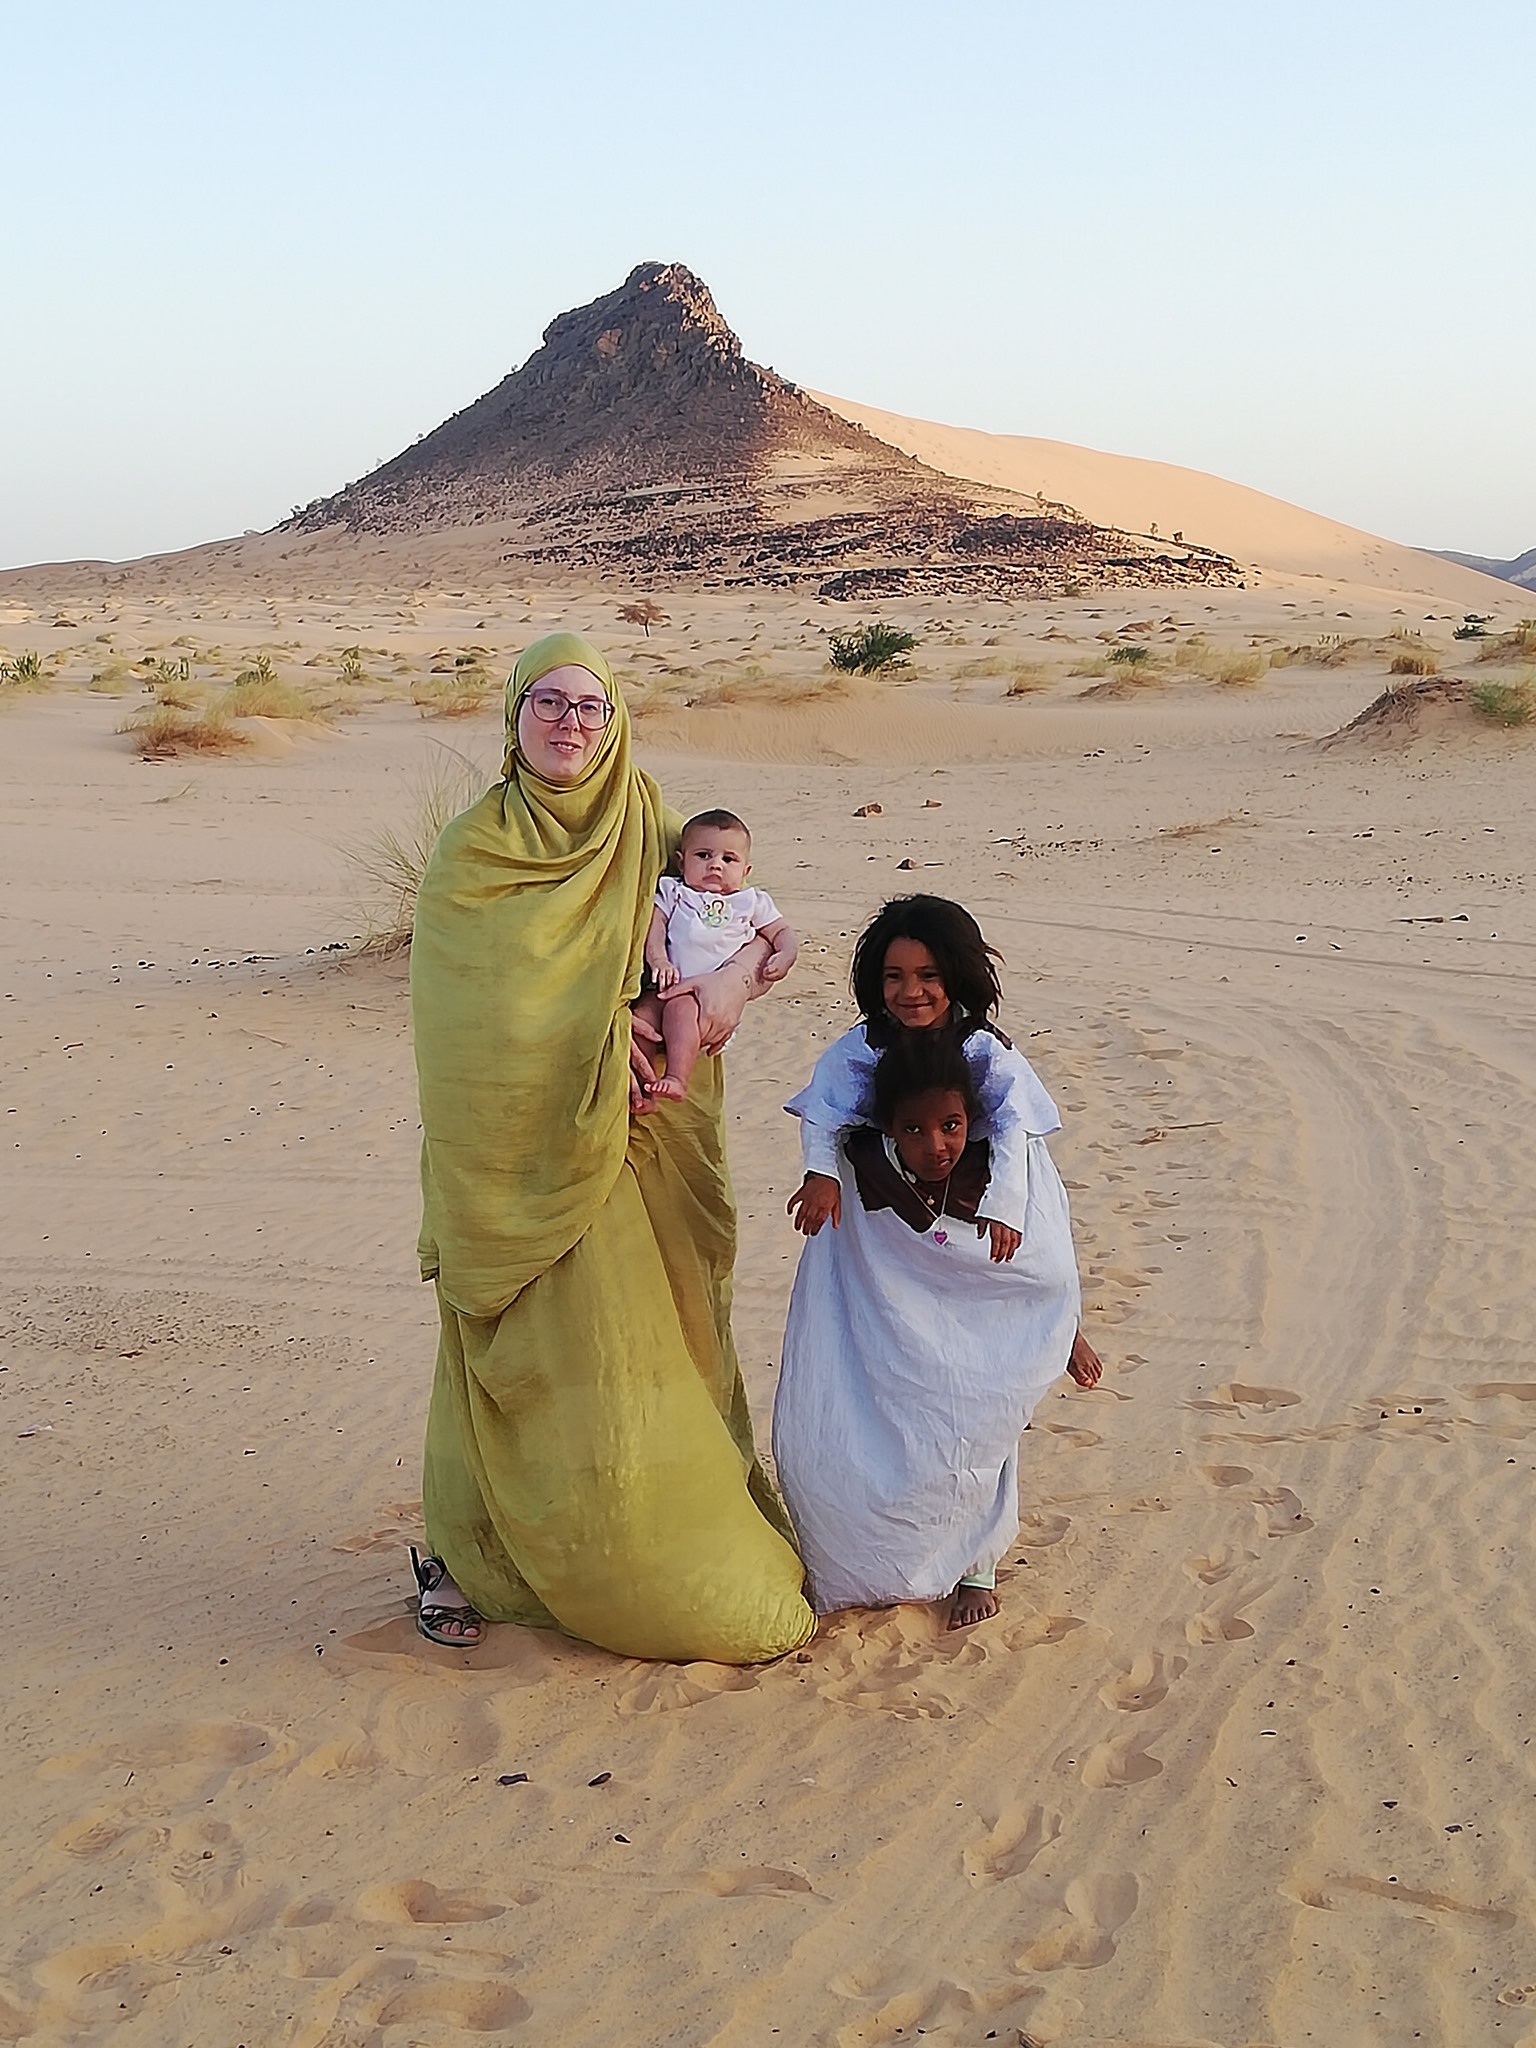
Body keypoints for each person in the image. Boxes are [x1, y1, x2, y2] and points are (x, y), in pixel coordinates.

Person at [407, 632, 814, 1662]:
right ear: (516, 714)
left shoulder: (655, 827)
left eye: (592, 705)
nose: (572, 723)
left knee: (648, 1338)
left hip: (642, 1135)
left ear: (617, 718)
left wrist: (729, 988)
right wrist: (598, 1020)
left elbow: (743, 940)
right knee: (537, 1345)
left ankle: (640, 1525)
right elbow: (466, 1014)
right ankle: (474, 1546)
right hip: (526, 1143)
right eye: (550, 702)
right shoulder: (476, 848)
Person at [775, 1026, 1102, 1628]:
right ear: (887, 1127)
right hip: (903, 1329)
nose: (936, 1145)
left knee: (985, 1421)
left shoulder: (1005, 1165)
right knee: (884, 1432)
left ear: (971, 1121)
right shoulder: (866, 1161)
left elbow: (1044, 1268)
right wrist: (820, 1172)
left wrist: (1064, 1329)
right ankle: (872, 1559)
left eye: (951, 1126)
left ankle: (978, 1565)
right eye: (915, 1130)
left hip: (983, 1325)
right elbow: (823, 1119)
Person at [784, 893, 1059, 1255]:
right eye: (894, 977)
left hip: (985, 1208)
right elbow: (824, 1113)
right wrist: (820, 1173)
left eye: (929, 976)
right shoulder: (862, 1049)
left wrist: (1005, 1205)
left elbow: (1012, 1125)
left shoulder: (984, 1050)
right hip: (885, 1216)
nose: (911, 992)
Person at [638, 809, 797, 1102]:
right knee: (641, 1022)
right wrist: (658, 959)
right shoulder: (674, 891)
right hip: (664, 987)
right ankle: (642, 1089)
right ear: (681, 861)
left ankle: (675, 1078)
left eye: (728, 859)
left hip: (706, 1002)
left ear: (746, 871)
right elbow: (655, 924)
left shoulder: (749, 901)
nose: (715, 866)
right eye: (703, 855)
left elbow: (781, 931)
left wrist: (785, 955)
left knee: (680, 1010)